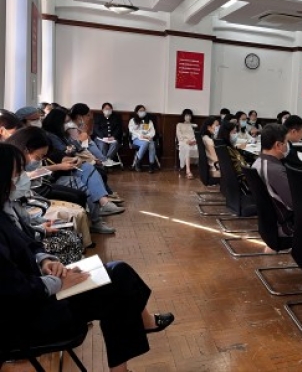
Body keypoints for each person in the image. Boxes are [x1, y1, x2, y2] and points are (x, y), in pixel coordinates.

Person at [0, 143, 175, 372]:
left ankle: (131, 351)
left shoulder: (6, 208)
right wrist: (58, 282)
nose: (20, 181)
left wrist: (46, 260)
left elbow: (28, 243)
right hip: (26, 318)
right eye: (16, 175)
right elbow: (12, 291)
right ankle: (139, 335)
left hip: (41, 292)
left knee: (118, 273)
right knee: (117, 289)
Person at [5, 126, 94, 247]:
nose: (39, 161)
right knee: (69, 236)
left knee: (80, 193)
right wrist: (40, 231)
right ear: (26, 150)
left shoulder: (16, 170)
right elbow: (18, 233)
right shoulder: (9, 165)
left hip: (28, 220)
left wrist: (40, 225)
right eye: (38, 157)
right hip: (23, 240)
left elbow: (23, 217)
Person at [43, 108, 123, 229]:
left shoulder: (60, 134)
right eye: (65, 122)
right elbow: (63, 153)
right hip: (57, 175)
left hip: (65, 167)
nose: (68, 124)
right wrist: (72, 153)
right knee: (85, 181)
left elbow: (67, 152)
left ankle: (102, 207)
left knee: (89, 168)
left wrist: (74, 157)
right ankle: (99, 213)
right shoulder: (50, 136)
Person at [216, 121, 250, 191]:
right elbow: (239, 168)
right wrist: (250, 169)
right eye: (234, 132)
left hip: (232, 178)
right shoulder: (228, 149)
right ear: (227, 133)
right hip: (243, 175)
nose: (236, 134)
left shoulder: (224, 146)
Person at [128, 105, 158, 173]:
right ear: (136, 112)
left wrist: (147, 136)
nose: (142, 112)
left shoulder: (149, 121)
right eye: (140, 111)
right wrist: (141, 136)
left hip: (148, 138)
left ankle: (151, 165)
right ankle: (138, 162)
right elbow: (131, 130)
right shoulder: (133, 120)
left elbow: (152, 131)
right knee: (146, 143)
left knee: (151, 144)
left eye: (143, 110)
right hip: (137, 139)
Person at [176, 109, 199, 179]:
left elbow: (196, 135)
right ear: (183, 116)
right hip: (183, 142)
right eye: (186, 115)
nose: (188, 117)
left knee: (200, 148)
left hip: (193, 142)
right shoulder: (179, 124)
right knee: (187, 148)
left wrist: (194, 141)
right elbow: (179, 136)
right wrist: (187, 141)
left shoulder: (193, 125)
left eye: (189, 115)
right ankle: (188, 171)